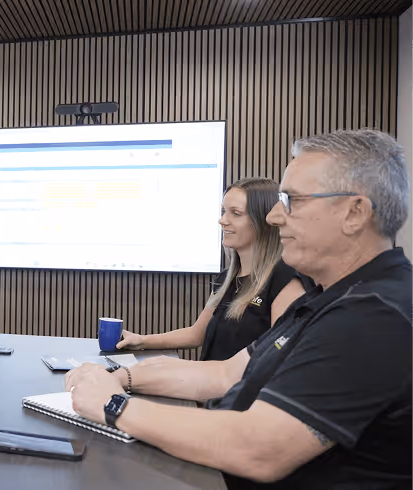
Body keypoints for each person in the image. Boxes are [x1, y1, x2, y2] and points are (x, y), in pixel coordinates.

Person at [65, 129, 411, 488]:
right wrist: (119, 379)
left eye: (292, 200)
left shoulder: (373, 316)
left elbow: (259, 448)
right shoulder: (326, 299)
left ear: (354, 213)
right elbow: (222, 375)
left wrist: (113, 406)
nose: (275, 217)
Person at [117, 178, 306, 360]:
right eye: (224, 211)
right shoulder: (226, 279)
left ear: (265, 221)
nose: (222, 220)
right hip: (209, 387)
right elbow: (196, 334)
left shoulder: (285, 279)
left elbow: (278, 357)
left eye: (236, 213)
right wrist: (142, 340)